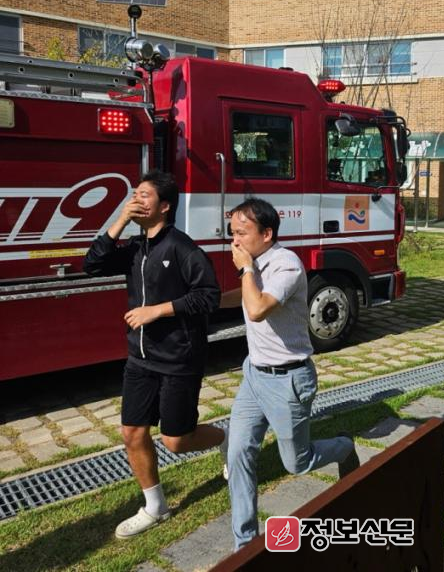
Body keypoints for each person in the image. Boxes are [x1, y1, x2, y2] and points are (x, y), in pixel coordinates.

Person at [83, 170, 227, 539]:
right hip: (140, 358)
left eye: (143, 195)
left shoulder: (182, 247)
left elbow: (209, 296)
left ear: (165, 206)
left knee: (176, 441)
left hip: (180, 357)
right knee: (132, 433)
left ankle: (225, 440)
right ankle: (155, 506)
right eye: (133, 195)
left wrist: (157, 311)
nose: (136, 200)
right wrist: (120, 220)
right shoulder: (135, 247)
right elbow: (93, 264)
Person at [219, 198, 360, 549]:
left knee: (297, 463)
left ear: (267, 234)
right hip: (254, 375)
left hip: (288, 381)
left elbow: (257, 308)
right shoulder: (257, 264)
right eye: (232, 233)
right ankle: (244, 544)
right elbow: (245, 297)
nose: (235, 241)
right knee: (238, 454)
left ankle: (344, 448)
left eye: (241, 233)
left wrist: (246, 269)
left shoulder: (286, 265)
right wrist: (210, 300)